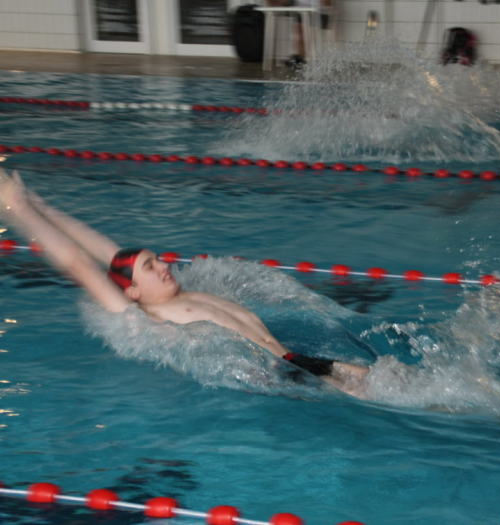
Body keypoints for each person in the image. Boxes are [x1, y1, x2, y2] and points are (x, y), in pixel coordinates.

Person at [0, 167, 369, 397]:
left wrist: (41, 205)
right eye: (150, 266)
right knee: (378, 395)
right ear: (133, 291)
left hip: (295, 361)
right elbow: (78, 263)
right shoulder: (142, 316)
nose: (163, 265)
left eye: (157, 259)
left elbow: (108, 252)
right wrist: (21, 211)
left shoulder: (176, 294)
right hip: (275, 377)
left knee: (386, 382)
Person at [259, 0, 333, 69]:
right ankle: (300, 58)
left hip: (320, 15)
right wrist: (275, 1)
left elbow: (329, 1)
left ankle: (301, 58)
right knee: (299, 27)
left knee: (302, 28)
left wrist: (323, 2)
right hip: (303, 14)